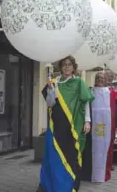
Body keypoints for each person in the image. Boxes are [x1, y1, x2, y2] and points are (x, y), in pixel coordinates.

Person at [39, 56, 94, 192]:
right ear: (60, 67)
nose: (67, 67)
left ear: (74, 67)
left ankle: (69, 187)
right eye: (64, 64)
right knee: (55, 157)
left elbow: (85, 102)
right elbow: (50, 103)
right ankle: (55, 186)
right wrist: (51, 89)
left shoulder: (79, 83)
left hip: (74, 126)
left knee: (72, 155)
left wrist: (87, 121)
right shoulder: (54, 82)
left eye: (69, 64)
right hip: (56, 126)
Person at [81, 70, 117, 183]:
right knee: (92, 149)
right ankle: (90, 174)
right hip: (93, 125)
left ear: (105, 81)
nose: (100, 80)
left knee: (105, 149)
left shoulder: (111, 93)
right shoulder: (90, 91)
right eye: (98, 79)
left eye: (102, 79)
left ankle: (103, 174)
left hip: (106, 126)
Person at [103, 68, 117, 171]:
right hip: (100, 122)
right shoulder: (97, 90)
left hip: (111, 123)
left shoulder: (113, 91)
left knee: (110, 145)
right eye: (107, 77)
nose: (109, 78)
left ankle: (108, 164)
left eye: (110, 77)